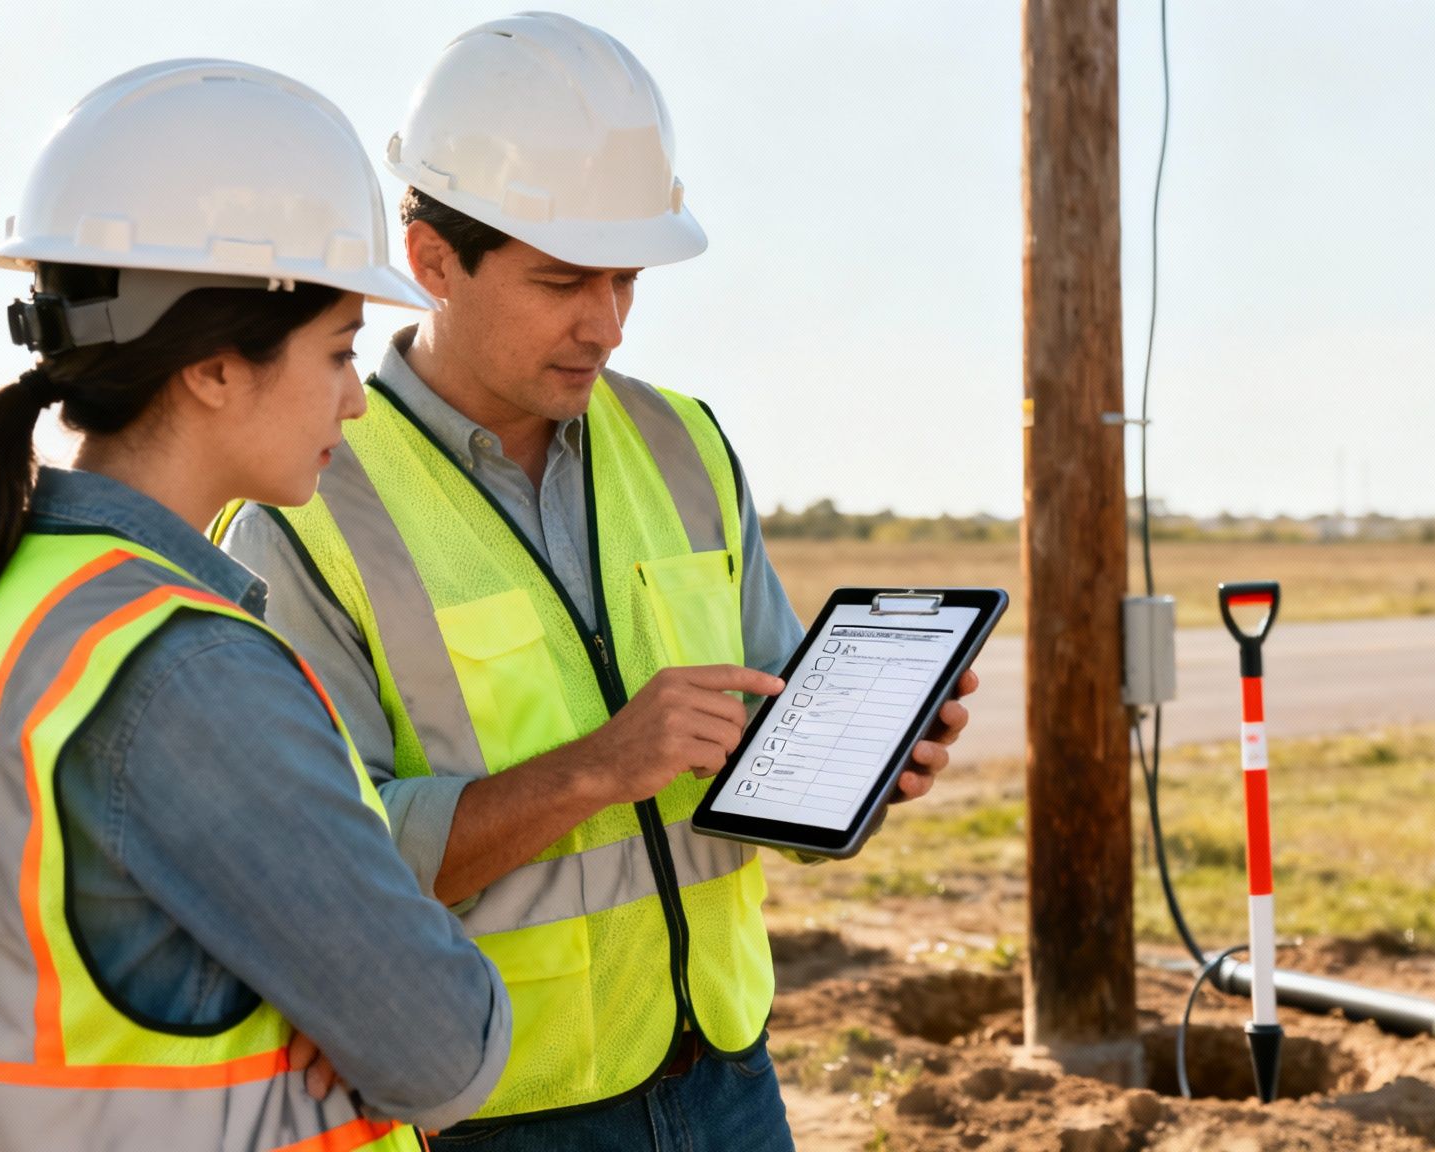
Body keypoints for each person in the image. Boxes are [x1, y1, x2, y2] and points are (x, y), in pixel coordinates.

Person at [217, 15, 977, 1148]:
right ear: (430, 261)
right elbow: (330, 879)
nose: (607, 324)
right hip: (499, 1112)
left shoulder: (683, 445)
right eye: (564, 281)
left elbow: (764, 737)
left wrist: (855, 767)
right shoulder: (310, 505)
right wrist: (599, 768)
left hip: (726, 1074)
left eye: (626, 278)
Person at [0, 60, 508, 1152]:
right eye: (338, 350)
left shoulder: (13, 594)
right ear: (213, 368)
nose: (355, 394)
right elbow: (444, 1050)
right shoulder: (183, 668)